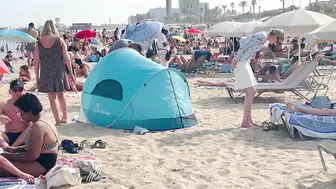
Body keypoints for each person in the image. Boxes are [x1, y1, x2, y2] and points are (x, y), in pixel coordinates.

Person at [231, 29, 284, 128]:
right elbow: (244, 45)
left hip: (244, 61)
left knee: (251, 91)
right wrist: (235, 59)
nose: (276, 44)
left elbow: (245, 42)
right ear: (274, 36)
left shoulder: (263, 39)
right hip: (241, 62)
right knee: (251, 91)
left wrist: (253, 55)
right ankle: (246, 121)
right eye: (277, 41)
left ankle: (248, 120)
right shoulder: (262, 36)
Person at [0, 93, 58, 177]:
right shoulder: (44, 118)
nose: (20, 116)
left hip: (41, 164)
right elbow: (35, 146)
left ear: (30, 111)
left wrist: (10, 156)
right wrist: (14, 150)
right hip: (43, 159)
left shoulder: (38, 126)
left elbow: (32, 155)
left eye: (22, 113)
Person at [34, 20, 74, 125]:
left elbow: (36, 62)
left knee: (51, 98)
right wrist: (71, 72)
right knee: (61, 96)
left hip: (46, 73)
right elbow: (67, 58)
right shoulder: (59, 40)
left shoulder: (39, 42)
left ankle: (57, 120)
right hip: (59, 71)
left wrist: (37, 77)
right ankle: (64, 117)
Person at [0, 79, 31, 147]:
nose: (17, 92)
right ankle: (7, 147)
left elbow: (38, 119)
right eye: (15, 90)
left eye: (20, 90)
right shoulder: (4, 104)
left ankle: (12, 147)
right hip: (8, 136)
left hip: (25, 136)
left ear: (24, 91)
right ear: (10, 91)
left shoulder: (29, 104)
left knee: (32, 125)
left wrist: (27, 121)